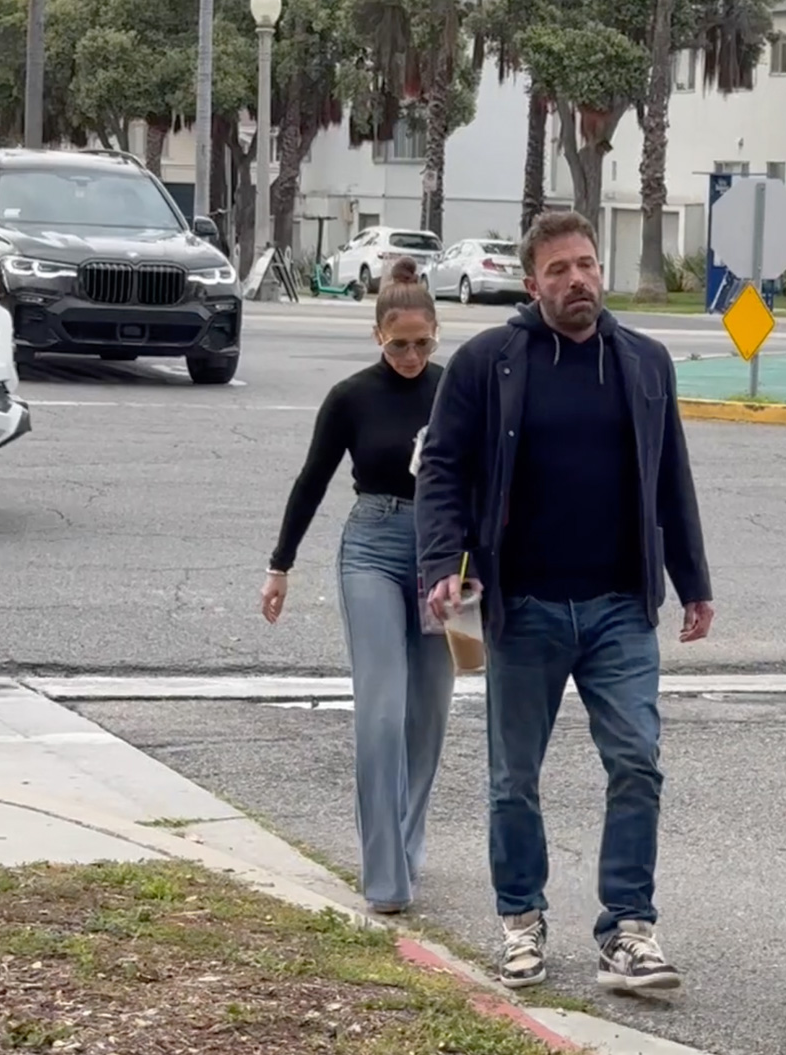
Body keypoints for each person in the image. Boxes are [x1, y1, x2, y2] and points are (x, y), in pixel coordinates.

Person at [415, 210, 714, 994]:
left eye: (586, 264)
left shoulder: (644, 363)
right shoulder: (489, 363)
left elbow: (670, 476)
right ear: (531, 280)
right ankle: (520, 921)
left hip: (620, 605)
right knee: (515, 776)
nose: (577, 279)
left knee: (638, 763)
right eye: (559, 270)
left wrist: (694, 580)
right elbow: (442, 468)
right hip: (527, 608)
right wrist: (442, 561)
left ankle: (628, 929)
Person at [261, 255, 452, 917]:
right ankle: (385, 876)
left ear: (437, 334)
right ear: (377, 336)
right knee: (381, 711)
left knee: (429, 714)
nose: (409, 355)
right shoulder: (350, 396)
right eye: (398, 344)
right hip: (371, 545)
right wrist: (280, 564)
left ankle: (407, 840)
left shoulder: (457, 392)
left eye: (422, 343)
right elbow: (311, 481)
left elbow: (489, 485)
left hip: (447, 558)